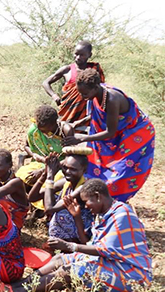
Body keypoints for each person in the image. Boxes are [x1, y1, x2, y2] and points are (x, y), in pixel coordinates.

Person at [0, 179, 152, 292]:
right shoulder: (104, 215)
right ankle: (14, 285)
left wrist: (71, 246)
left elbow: (103, 250)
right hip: (111, 263)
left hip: (131, 275)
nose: (86, 206)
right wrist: (77, 219)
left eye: (87, 202)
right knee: (60, 259)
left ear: (98, 196)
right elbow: (89, 244)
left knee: (74, 270)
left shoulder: (122, 215)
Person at [65, 68, 155, 201]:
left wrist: (83, 138)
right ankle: (94, 197)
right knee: (97, 164)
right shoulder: (96, 94)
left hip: (136, 134)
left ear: (96, 87)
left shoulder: (112, 99)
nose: (83, 97)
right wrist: (77, 123)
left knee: (119, 170)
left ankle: (111, 201)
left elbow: (110, 132)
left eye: (85, 94)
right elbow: (96, 116)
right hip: (119, 132)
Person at [26, 154, 94, 242]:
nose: (68, 171)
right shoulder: (66, 182)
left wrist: (50, 177)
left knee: (56, 202)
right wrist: (45, 174)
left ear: (84, 170)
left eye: (73, 169)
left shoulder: (83, 188)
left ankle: (68, 244)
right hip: (66, 230)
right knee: (49, 193)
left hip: (80, 234)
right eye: (65, 167)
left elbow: (49, 209)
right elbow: (32, 198)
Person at [42, 41, 105, 122]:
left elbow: (102, 89)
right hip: (68, 113)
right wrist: (54, 96)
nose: (78, 57)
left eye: (82, 55)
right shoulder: (67, 70)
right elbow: (45, 83)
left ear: (89, 55)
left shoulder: (95, 69)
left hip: (90, 114)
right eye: (76, 54)